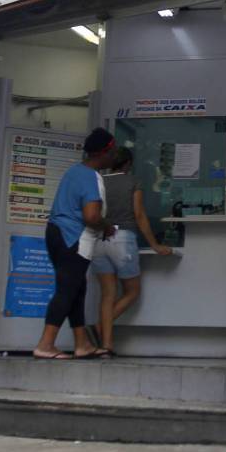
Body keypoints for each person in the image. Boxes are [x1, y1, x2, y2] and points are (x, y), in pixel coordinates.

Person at [33, 127, 116, 360]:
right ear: (103, 153)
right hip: (74, 237)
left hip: (56, 233)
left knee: (77, 289)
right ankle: (45, 344)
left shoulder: (74, 171)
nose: (115, 156)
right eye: (113, 152)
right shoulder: (91, 177)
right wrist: (107, 226)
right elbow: (91, 216)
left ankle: (83, 344)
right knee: (67, 290)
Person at [90, 147, 173, 356]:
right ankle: (100, 328)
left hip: (99, 239)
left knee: (107, 294)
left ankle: (106, 344)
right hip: (122, 239)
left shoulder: (99, 181)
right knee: (132, 291)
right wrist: (154, 244)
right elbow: (139, 214)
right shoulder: (133, 182)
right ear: (128, 163)